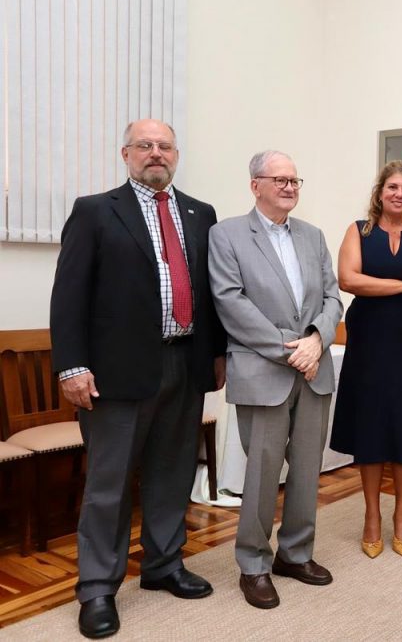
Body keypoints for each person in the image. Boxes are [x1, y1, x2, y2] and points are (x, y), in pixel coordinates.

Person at [50, 119, 226, 639]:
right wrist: (72, 365)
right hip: (116, 373)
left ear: (177, 154)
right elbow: (69, 295)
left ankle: (163, 565)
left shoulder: (200, 213)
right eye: (145, 146)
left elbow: (210, 295)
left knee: (172, 473)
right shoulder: (95, 211)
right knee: (109, 484)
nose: (156, 153)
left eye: (165, 146)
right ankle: (98, 588)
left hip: (185, 364)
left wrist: (215, 355)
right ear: (125, 154)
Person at [208, 150, 343, 609]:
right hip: (265, 370)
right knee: (263, 473)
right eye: (280, 179)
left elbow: (332, 296)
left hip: (314, 368)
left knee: (307, 469)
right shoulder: (226, 235)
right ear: (255, 185)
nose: (290, 187)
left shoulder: (313, 235)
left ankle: (296, 553)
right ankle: (253, 564)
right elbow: (231, 302)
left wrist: (317, 340)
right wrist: (292, 348)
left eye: (295, 180)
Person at [331, 160, 402, 558]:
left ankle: (401, 514)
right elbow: (349, 279)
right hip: (368, 345)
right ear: (380, 192)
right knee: (370, 427)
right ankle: (371, 515)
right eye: (393, 187)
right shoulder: (358, 231)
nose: (399, 194)